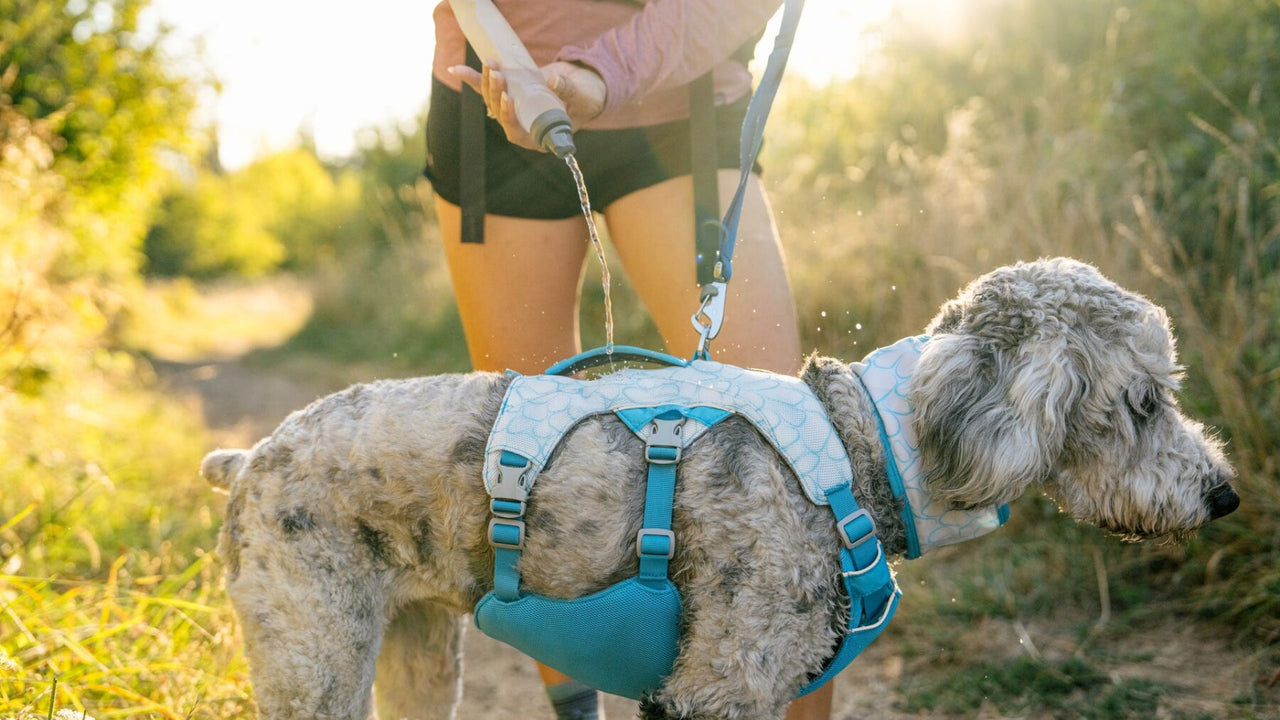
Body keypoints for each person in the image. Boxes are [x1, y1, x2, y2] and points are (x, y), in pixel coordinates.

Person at [422, 1, 833, 718]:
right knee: (530, 466)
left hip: (685, 114)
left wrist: (601, 73)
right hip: (496, 106)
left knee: (790, 467)